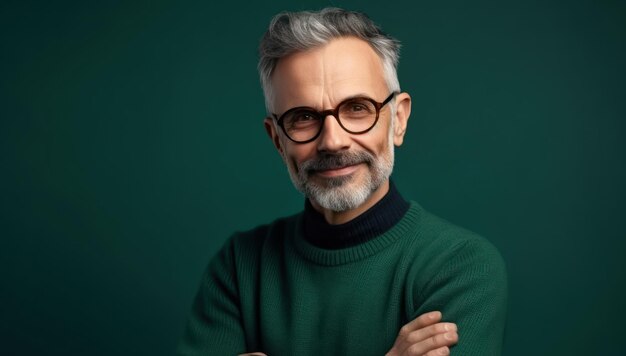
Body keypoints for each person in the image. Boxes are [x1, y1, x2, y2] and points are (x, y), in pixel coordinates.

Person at [177, 7, 507, 356]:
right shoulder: (240, 266)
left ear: (398, 120)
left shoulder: (461, 267)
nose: (333, 141)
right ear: (277, 139)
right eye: (303, 117)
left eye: (357, 108)